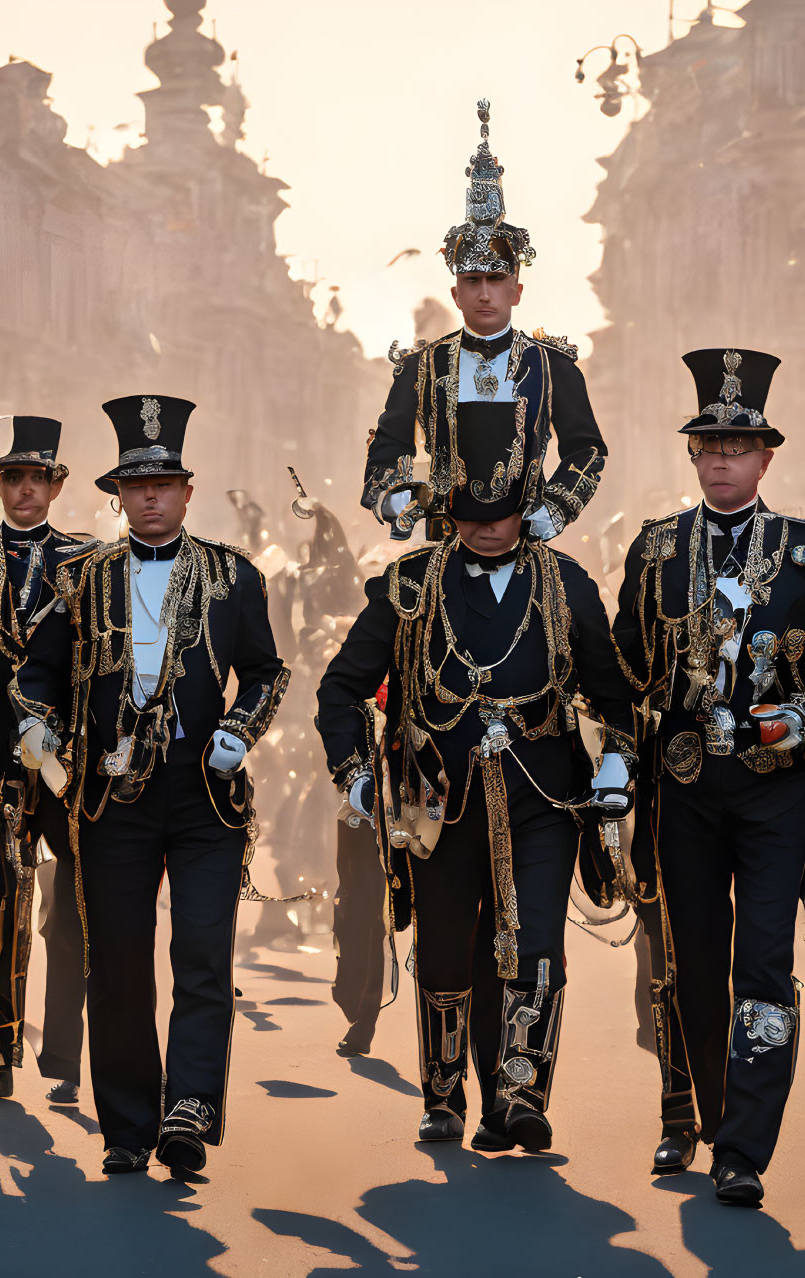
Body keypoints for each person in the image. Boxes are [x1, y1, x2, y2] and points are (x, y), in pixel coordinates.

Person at [319, 400, 635, 1152]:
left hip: (546, 796)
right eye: (469, 509)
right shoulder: (406, 585)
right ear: (447, 506)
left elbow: (615, 692)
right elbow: (342, 688)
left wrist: (617, 759)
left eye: (502, 509)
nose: (487, 524)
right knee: (446, 950)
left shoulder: (566, 584)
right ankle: (442, 1096)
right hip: (436, 801)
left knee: (533, 945)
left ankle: (519, 1093)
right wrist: (359, 778)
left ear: (527, 506)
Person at [609, 348, 805, 1206]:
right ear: (692, 456)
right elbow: (624, 669)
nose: (721, 458)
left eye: (737, 446)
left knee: (761, 959)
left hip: (773, 782)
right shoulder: (654, 550)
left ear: (766, 458)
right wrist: (617, 744)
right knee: (691, 961)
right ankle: (702, 1116)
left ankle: (743, 1149)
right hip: (681, 784)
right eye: (707, 445)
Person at [13, 394, 289, 1177]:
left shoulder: (235, 576)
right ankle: (127, 1127)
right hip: (108, 800)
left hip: (205, 792)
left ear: (187, 491)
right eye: (137, 488)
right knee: (120, 964)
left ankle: (189, 1108)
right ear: (118, 496)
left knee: (202, 955)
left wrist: (240, 729)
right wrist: (38, 729)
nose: (152, 499)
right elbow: (33, 676)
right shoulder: (77, 578)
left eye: (165, 485)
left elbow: (267, 672)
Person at [363, 100, 604, 543]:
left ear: (517, 290)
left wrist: (557, 507)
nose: (485, 293)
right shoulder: (423, 367)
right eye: (473, 281)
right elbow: (389, 445)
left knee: (582, 606)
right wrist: (396, 495)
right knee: (385, 609)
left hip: (525, 540)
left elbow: (586, 449)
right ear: (455, 293)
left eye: (496, 280)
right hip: (444, 541)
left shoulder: (554, 368)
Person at [0, 415, 92, 1102]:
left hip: (68, 765)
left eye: (37, 478)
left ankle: (63, 1052)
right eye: (13, 478)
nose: (25, 491)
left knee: (70, 911)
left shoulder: (91, 562)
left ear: (56, 485)